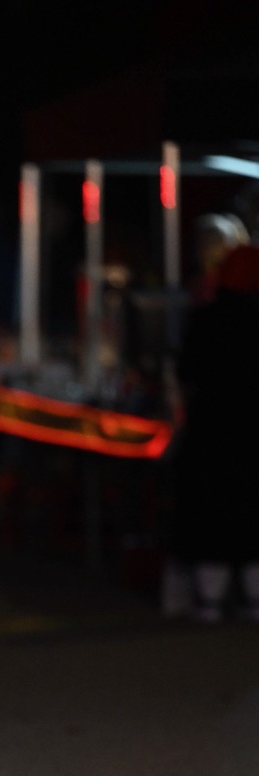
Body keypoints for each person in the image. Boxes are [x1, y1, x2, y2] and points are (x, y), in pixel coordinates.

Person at [164, 241, 259, 622]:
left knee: (212, 520)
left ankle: (209, 604)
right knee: (253, 523)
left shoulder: (206, 320)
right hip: (253, 437)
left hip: (212, 435)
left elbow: (187, 372)